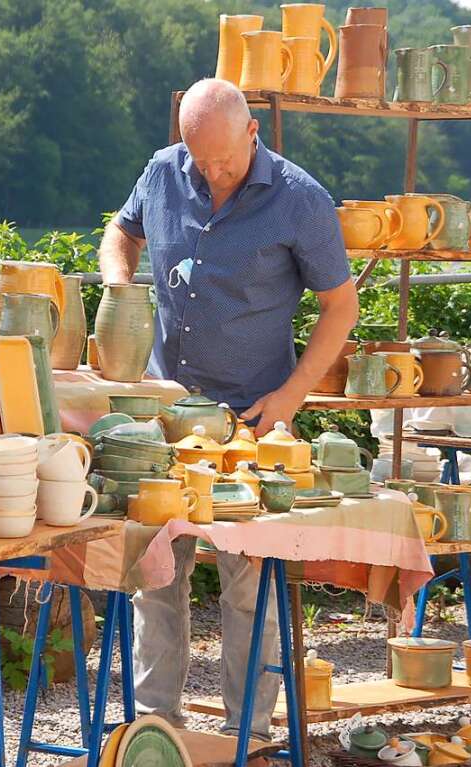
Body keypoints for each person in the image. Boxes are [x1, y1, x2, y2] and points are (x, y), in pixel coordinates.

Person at [98, 78, 359, 739]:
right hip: (162, 412)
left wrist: (290, 397)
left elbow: (341, 306)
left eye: (223, 159)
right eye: (198, 160)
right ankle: (155, 731)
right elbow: (117, 232)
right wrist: (116, 283)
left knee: (248, 585)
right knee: (154, 576)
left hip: (253, 421)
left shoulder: (299, 199)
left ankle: (253, 734)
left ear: (252, 133)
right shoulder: (162, 172)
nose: (210, 173)